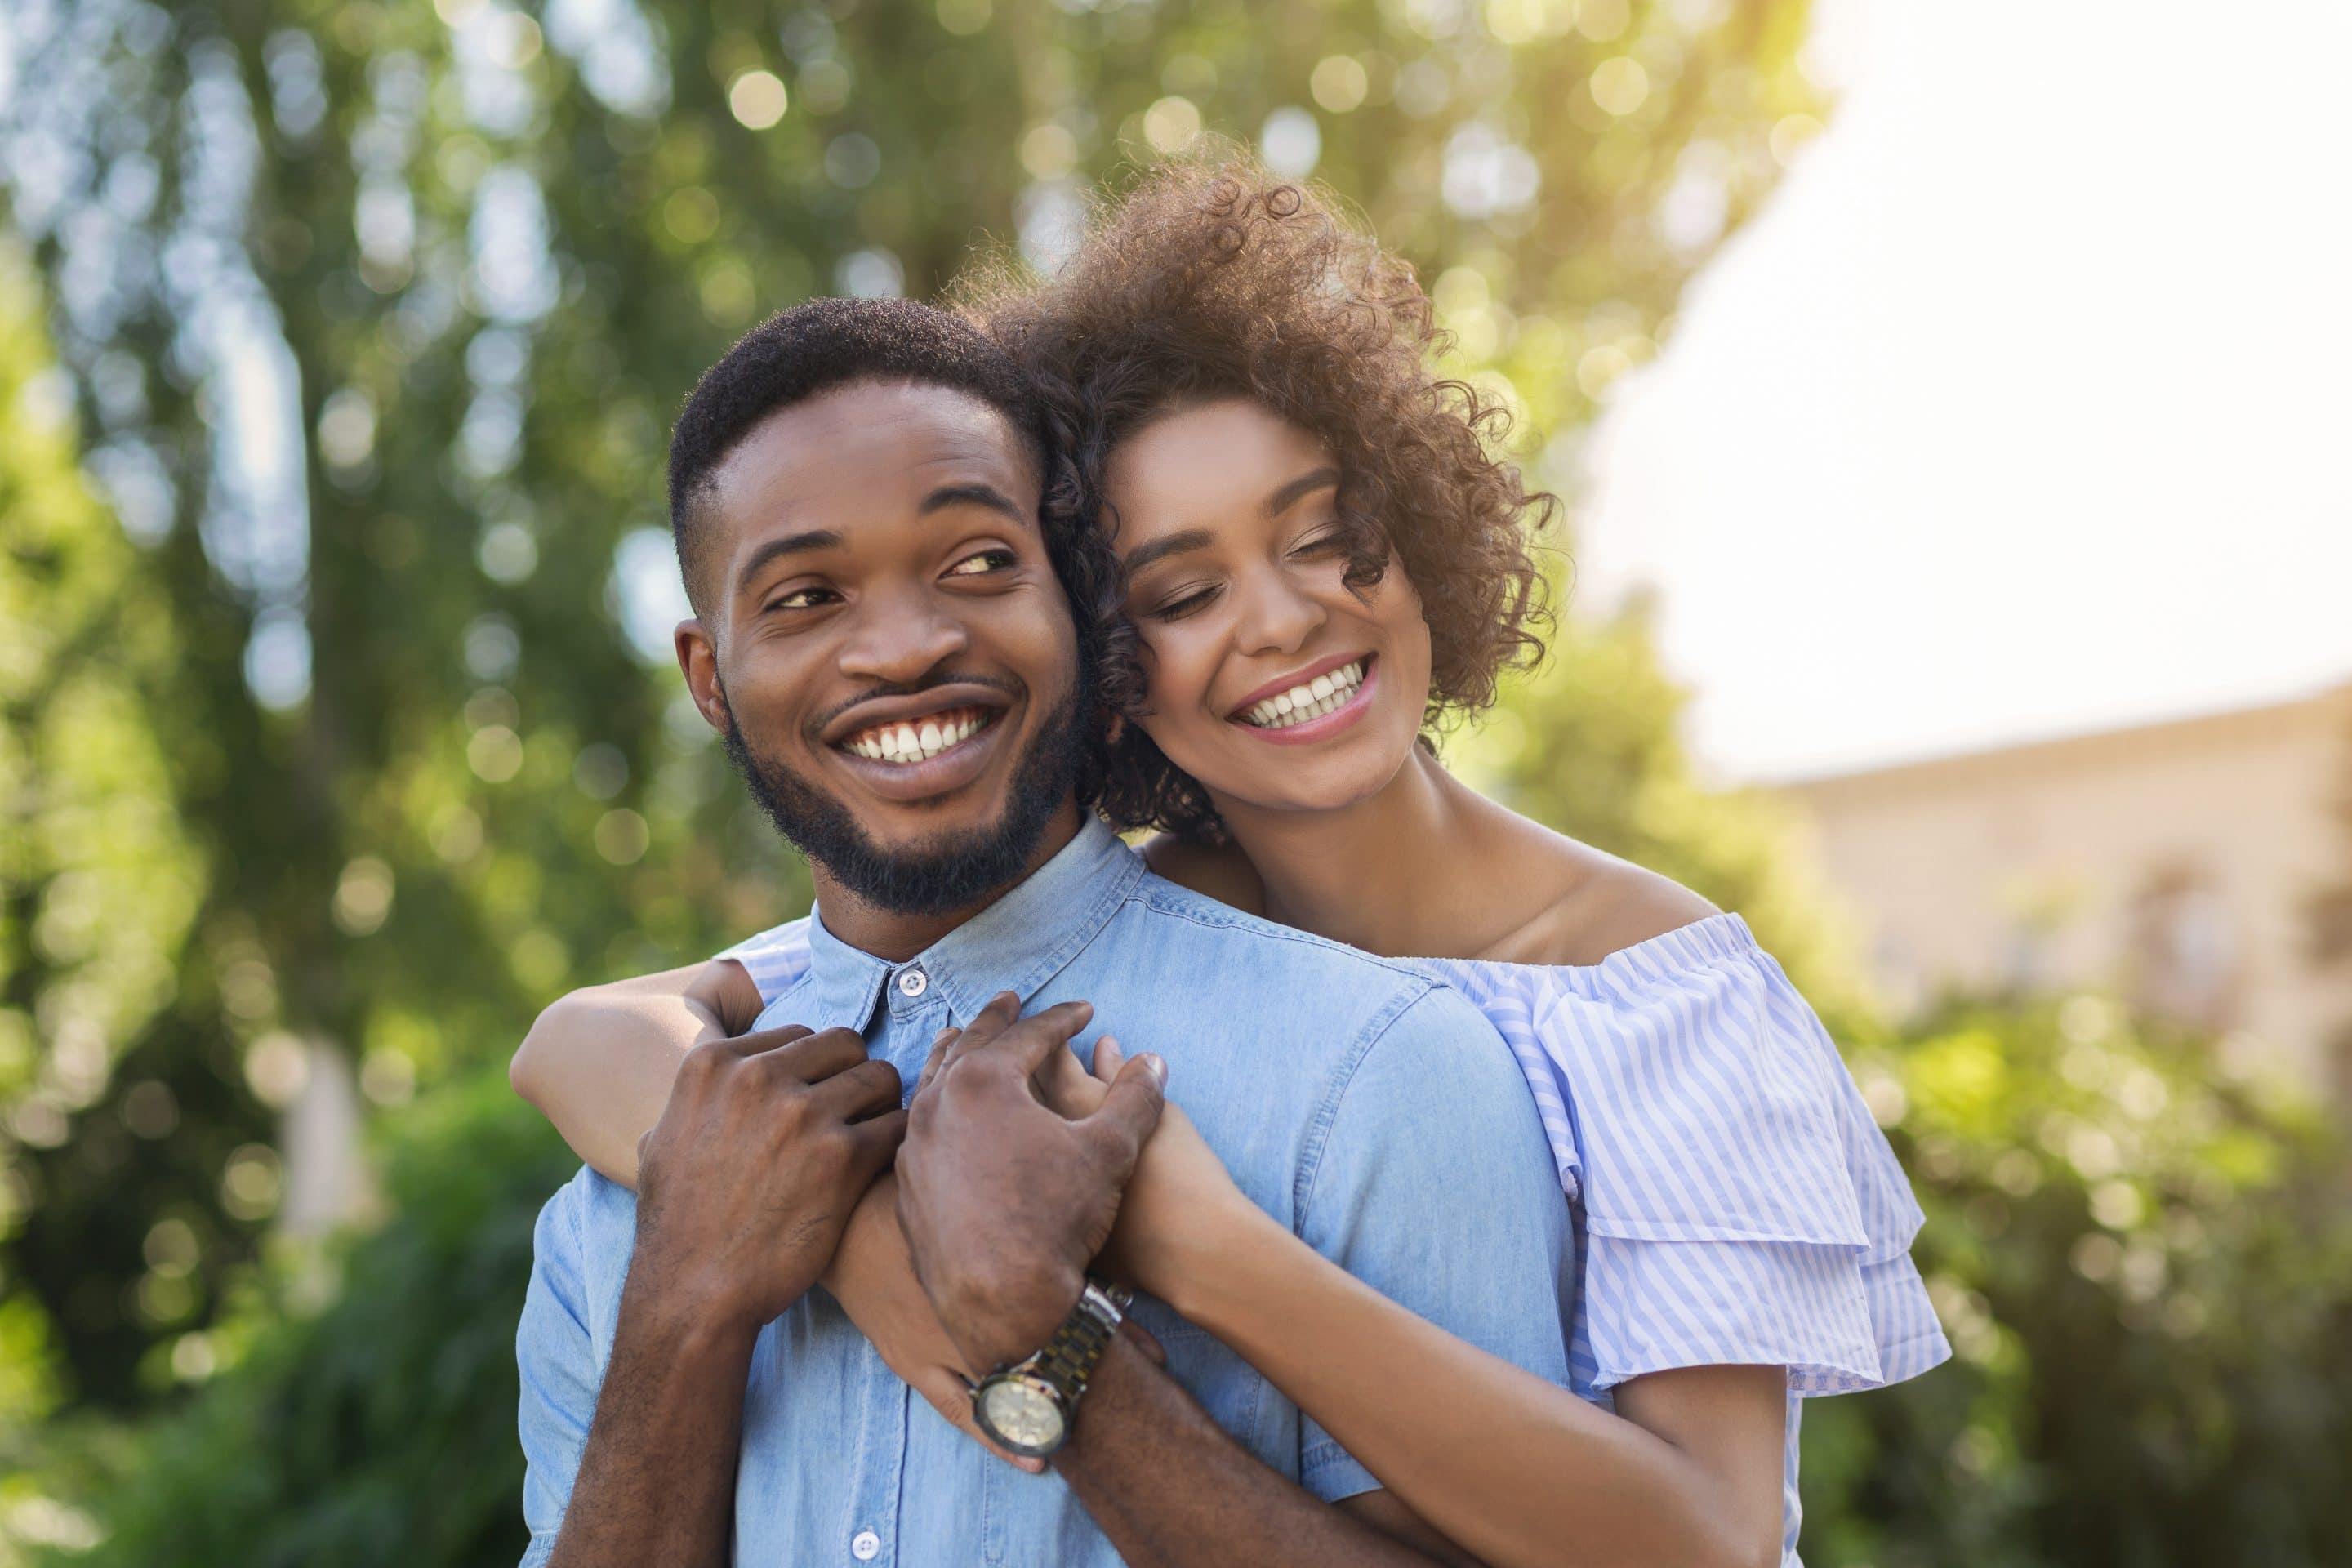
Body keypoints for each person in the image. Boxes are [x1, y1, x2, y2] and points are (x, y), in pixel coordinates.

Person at [514, 166, 1950, 1568]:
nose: (1282, 621)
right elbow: (649, 1026)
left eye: (1330, 537)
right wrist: (801, 1207)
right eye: (1186, 594)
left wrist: (1179, 1256)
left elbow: (1712, 1544)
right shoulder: (1140, 928)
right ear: (1111, 654)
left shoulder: (1637, 995)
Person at [512, 293, 1585, 1568]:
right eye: (805, 597)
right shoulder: (620, 1201)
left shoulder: (1383, 1078)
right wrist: (684, 1304)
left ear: (1081, 606)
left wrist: (1057, 1347)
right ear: (711, 681)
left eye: (977, 563)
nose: (906, 648)